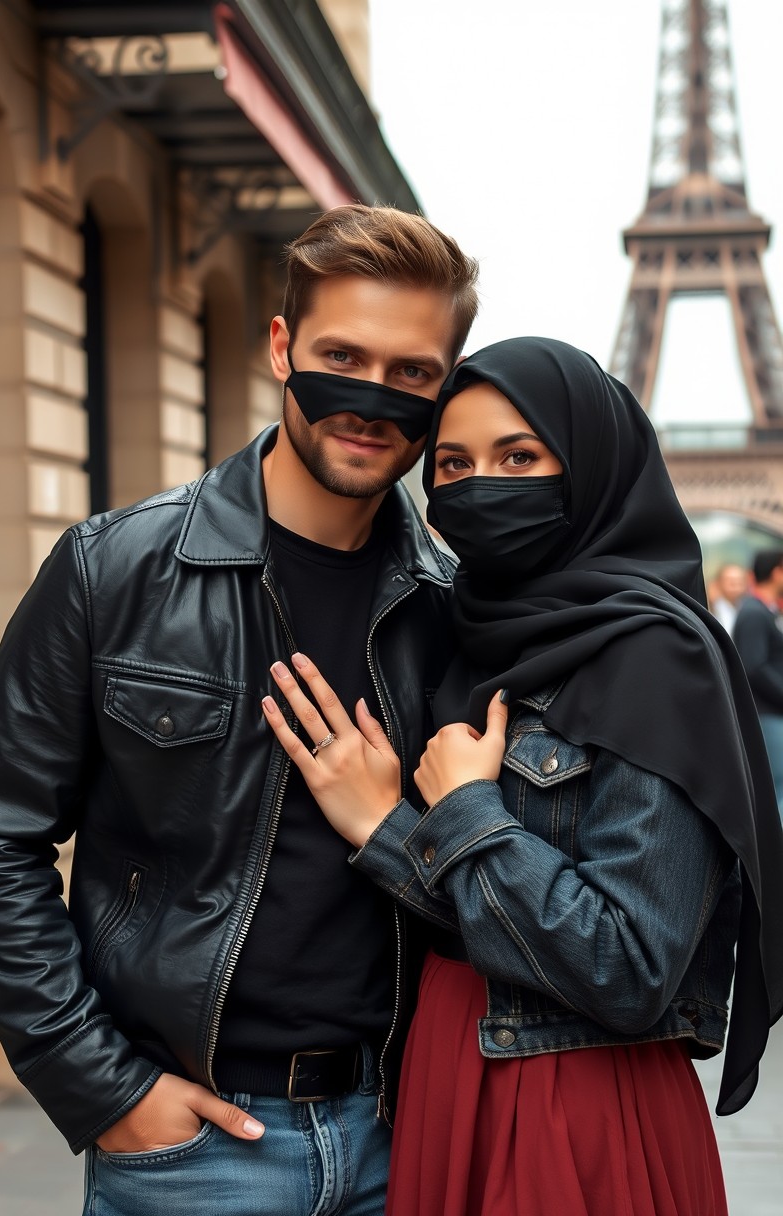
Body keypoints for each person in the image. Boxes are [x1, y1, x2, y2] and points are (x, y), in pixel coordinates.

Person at [0, 204, 479, 1216]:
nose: (371, 398)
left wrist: (393, 828)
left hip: (406, 1139)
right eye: (341, 354)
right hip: (189, 1149)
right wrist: (102, 1085)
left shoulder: (456, 613)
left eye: (411, 373)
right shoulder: (114, 569)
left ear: (443, 387)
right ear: (282, 347)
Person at [262, 337, 783, 1216]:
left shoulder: (656, 657)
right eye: (454, 463)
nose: (477, 488)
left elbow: (630, 967)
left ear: (589, 464)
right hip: (452, 1071)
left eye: (519, 456)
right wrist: (387, 828)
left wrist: (446, 813)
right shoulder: (469, 635)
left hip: (574, 1101)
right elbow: (481, 917)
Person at [733, 549, 783, 819]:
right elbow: (754, 665)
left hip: (770, 714)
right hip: (768, 715)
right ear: (777, 571)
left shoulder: (758, 610)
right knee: (778, 790)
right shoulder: (754, 612)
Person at [710, 562, 748, 634]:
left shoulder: (748, 608)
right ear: (718, 583)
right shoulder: (712, 609)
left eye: (740, 582)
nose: (736, 587)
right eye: (731, 582)